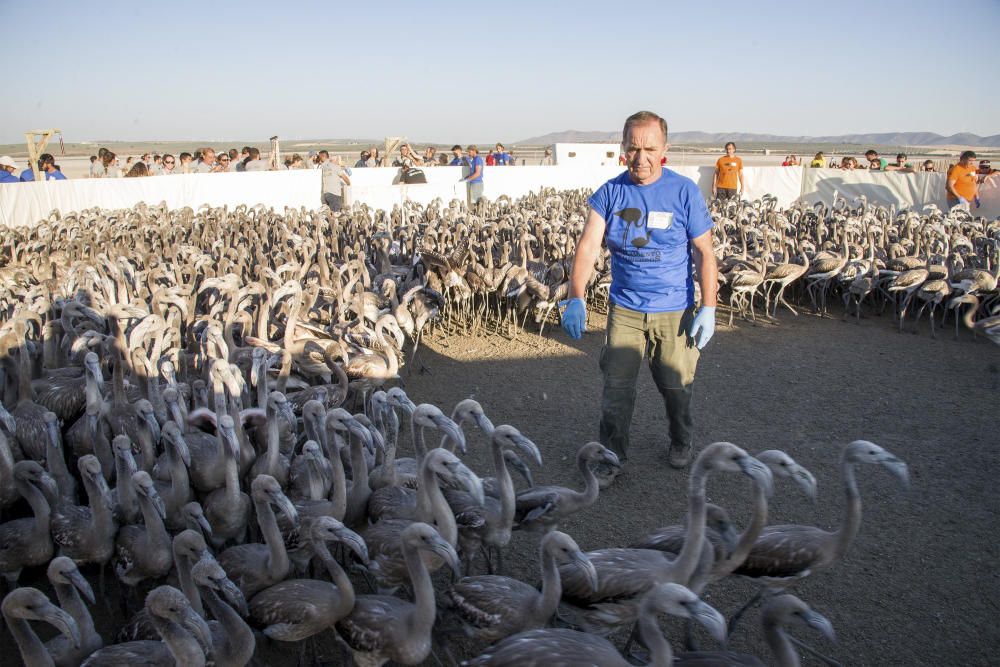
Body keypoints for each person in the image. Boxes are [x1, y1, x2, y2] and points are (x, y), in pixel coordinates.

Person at [560, 110, 718, 475]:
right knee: (616, 392)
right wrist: (576, 295)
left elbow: (704, 252)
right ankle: (612, 457)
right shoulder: (610, 193)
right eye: (633, 148)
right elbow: (587, 247)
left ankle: (681, 438)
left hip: (674, 309)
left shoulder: (684, 192)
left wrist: (708, 306)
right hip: (626, 310)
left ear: (665, 149)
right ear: (622, 149)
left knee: (676, 387)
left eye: (650, 148)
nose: (641, 158)